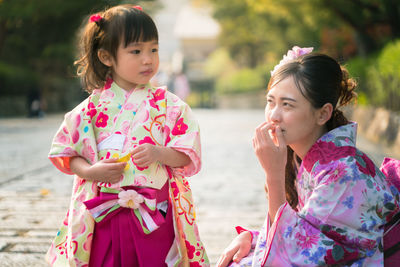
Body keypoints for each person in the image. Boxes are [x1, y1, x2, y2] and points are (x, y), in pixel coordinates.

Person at [45, 5, 209, 266]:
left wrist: (160, 153)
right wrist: (89, 171)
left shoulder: (170, 106)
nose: (148, 59)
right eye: (136, 51)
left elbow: (186, 154)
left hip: (155, 210)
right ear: (107, 57)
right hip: (104, 213)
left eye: (153, 49)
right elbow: (66, 152)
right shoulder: (89, 110)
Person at [216, 46, 400, 266]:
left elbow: (294, 253)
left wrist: (273, 175)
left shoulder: (343, 173)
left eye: (287, 105)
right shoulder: (302, 157)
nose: (274, 115)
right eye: (270, 102)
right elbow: (302, 231)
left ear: (323, 113)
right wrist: (251, 237)